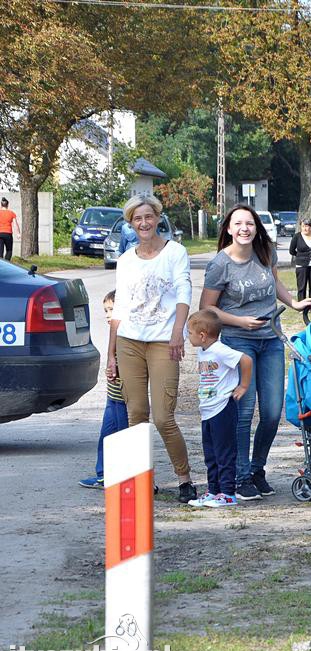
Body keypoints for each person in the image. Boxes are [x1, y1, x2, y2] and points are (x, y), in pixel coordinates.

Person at [200, 203, 311, 502]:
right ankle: (240, 477)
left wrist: (294, 303)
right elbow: (207, 308)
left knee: (272, 412)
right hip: (239, 343)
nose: (244, 228)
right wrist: (240, 321)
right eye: (238, 223)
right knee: (243, 412)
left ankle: (257, 469)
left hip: (271, 340)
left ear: (256, 227)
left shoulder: (265, 253)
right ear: (228, 228)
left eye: (249, 223)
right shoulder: (219, 265)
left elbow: (275, 282)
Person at [108, 196, 196, 503]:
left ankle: (184, 478)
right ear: (130, 224)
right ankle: (143, 480)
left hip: (163, 341)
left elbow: (184, 291)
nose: (143, 223)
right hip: (129, 342)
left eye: (148, 217)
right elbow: (119, 308)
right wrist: (110, 355)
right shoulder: (125, 260)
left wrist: (178, 332)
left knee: (162, 417)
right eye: (137, 219)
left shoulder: (175, 252)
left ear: (158, 218)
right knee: (136, 414)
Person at [186, 310, 253, 509]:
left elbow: (246, 360)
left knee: (224, 452)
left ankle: (228, 493)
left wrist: (243, 386)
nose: (187, 336)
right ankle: (213, 490)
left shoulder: (220, 350)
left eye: (189, 332)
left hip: (223, 407)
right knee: (211, 453)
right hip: (207, 409)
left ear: (202, 335)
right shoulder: (203, 351)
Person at [79, 291, 129, 489]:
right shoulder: (113, 332)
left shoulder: (127, 334)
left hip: (124, 398)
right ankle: (103, 475)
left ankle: (126, 477)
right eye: (106, 311)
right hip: (112, 396)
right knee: (106, 436)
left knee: (123, 438)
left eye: (111, 310)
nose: (108, 315)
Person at [289, 218, 311, 299]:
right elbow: (291, 250)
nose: (305, 228)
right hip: (301, 265)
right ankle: (301, 307)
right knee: (302, 287)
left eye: (307, 226)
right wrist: (300, 256)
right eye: (303, 226)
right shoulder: (297, 236)